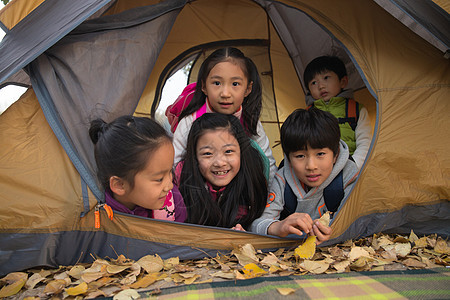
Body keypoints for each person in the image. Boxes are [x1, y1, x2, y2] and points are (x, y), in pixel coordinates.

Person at [250, 108, 359, 244]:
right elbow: (257, 225)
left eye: (320, 154)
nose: (311, 166)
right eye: (300, 156)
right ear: (289, 159)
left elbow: (359, 220)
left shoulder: (348, 174)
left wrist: (334, 230)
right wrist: (277, 227)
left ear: (335, 154)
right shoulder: (283, 180)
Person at [171, 47, 277, 182]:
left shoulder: (250, 121)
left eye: (235, 84)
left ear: (248, 89)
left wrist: (269, 198)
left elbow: (267, 162)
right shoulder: (189, 122)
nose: (225, 93)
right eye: (217, 83)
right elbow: (174, 165)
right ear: (204, 86)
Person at [177, 113, 268, 230]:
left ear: (241, 152)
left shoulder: (251, 179)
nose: (219, 163)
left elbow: (259, 221)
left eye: (228, 151)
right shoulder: (182, 178)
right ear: (195, 157)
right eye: (208, 153)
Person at [89, 115, 186, 222]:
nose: (170, 185)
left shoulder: (174, 201)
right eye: (159, 179)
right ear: (119, 185)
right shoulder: (98, 217)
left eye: (170, 172)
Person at [303, 55, 371, 169]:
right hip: (316, 171)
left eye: (326, 78)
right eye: (314, 83)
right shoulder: (305, 115)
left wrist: (353, 166)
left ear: (343, 82)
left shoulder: (356, 110)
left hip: (351, 168)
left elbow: (365, 143)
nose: (321, 86)